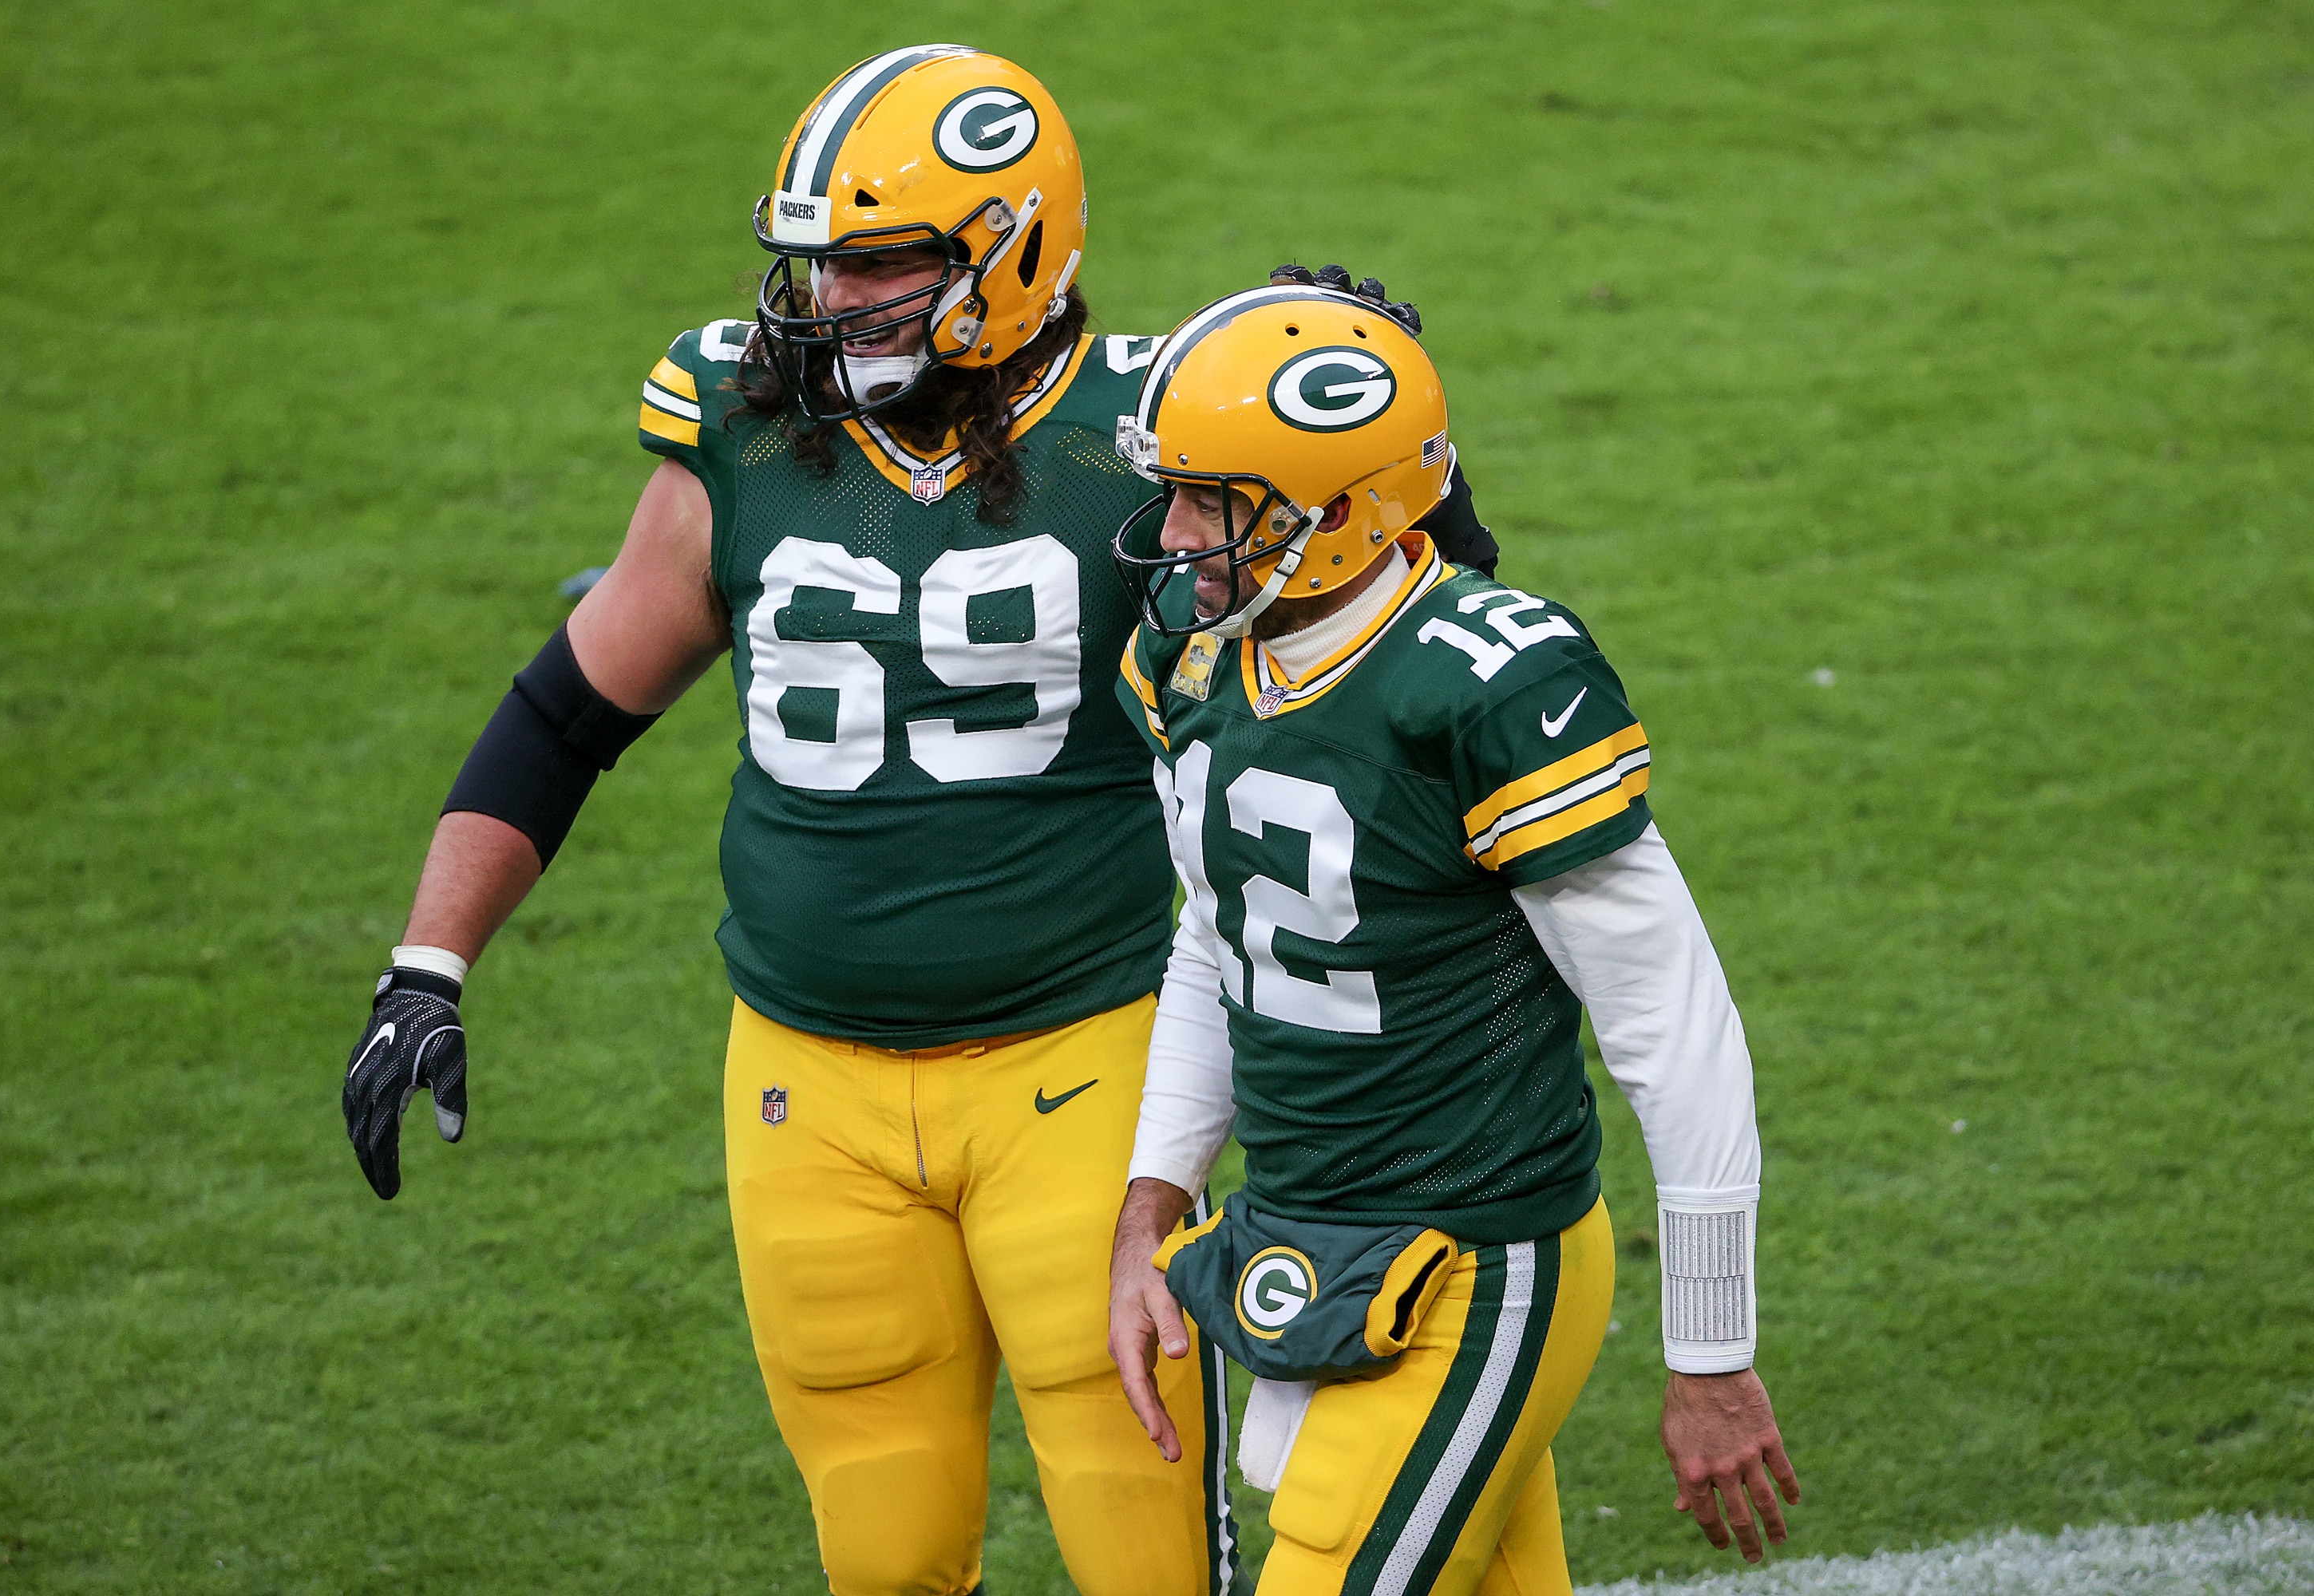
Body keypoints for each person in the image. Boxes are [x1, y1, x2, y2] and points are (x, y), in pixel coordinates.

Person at [337, 45, 1491, 1596]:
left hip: (1083, 1075)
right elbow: (570, 709)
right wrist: (429, 961)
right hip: (805, 1095)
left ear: (1014, 254)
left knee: (1146, 1560)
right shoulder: (738, 421)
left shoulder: (1141, 436)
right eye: (817, 265)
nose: (829, 302)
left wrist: (1413, 469)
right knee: (881, 1558)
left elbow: (1416, 659)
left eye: (881, 264)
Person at [1102, 282, 1798, 1596]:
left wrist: (1710, 1352)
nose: (1176, 534)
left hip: (1482, 1262)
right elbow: (1218, 934)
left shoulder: (1483, 682)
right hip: (1311, 1226)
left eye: (1216, 502)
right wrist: (1151, 1206)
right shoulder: (1194, 662)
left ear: (1341, 510)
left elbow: (1675, 1023)